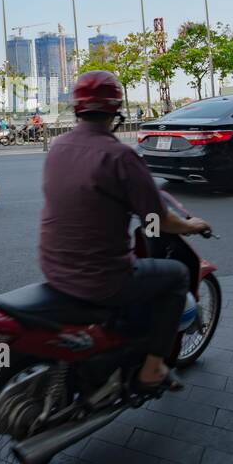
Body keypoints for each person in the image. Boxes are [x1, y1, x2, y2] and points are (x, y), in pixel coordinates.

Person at [39, 71, 211, 394]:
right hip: (102, 279)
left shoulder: (58, 147)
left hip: (53, 269)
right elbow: (158, 220)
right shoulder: (119, 156)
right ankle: (152, 368)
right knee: (174, 276)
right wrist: (192, 224)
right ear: (116, 110)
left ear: (78, 109)